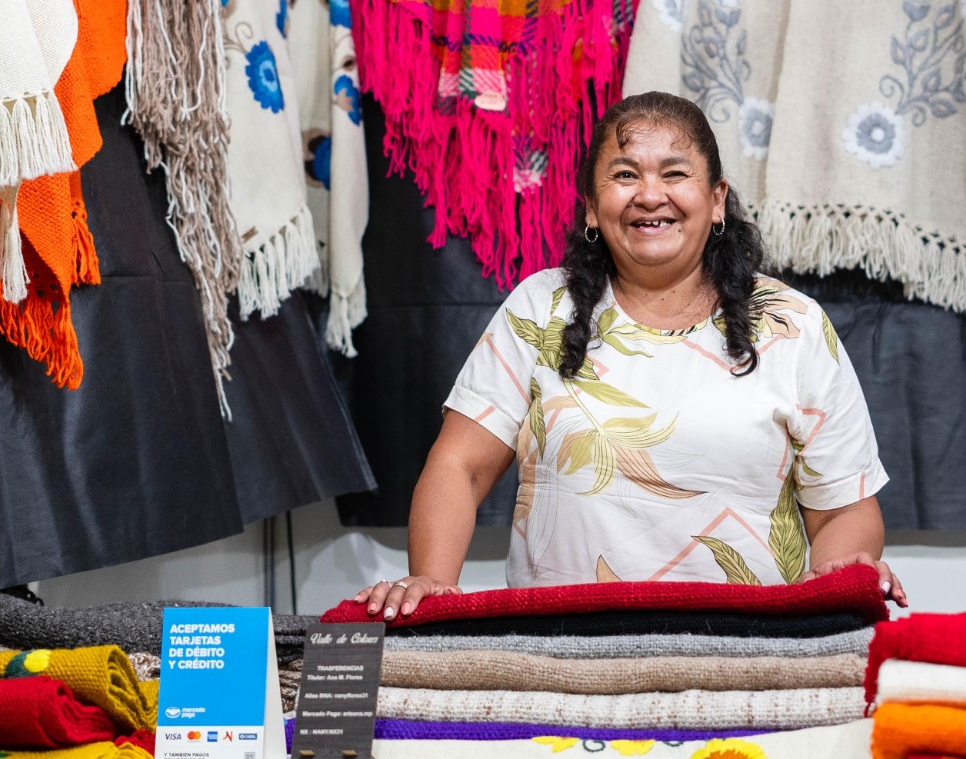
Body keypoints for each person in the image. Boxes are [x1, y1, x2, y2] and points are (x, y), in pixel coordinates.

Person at [353, 92, 904, 620]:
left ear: (716, 200)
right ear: (592, 209)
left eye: (674, 173)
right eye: (624, 175)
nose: (649, 195)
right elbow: (460, 466)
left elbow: (842, 507)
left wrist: (839, 571)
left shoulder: (793, 325)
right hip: (558, 653)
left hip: (748, 653)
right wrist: (430, 578)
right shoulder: (542, 307)